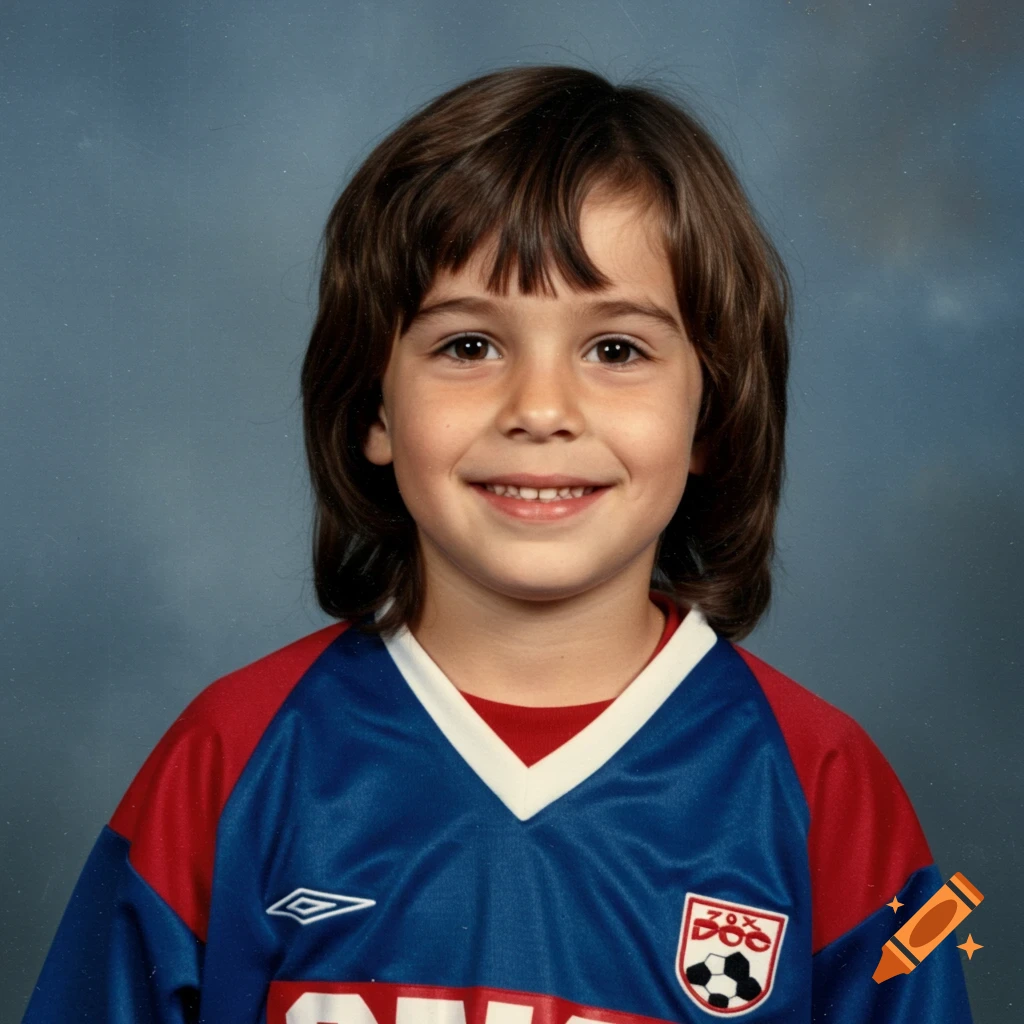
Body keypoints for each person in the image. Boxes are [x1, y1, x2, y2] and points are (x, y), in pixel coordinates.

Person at [22, 64, 974, 1023]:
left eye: (617, 350)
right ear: (373, 407)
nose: (542, 410)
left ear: (712, 417)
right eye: (469, 346)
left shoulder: (825, 790)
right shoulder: (231, 758)